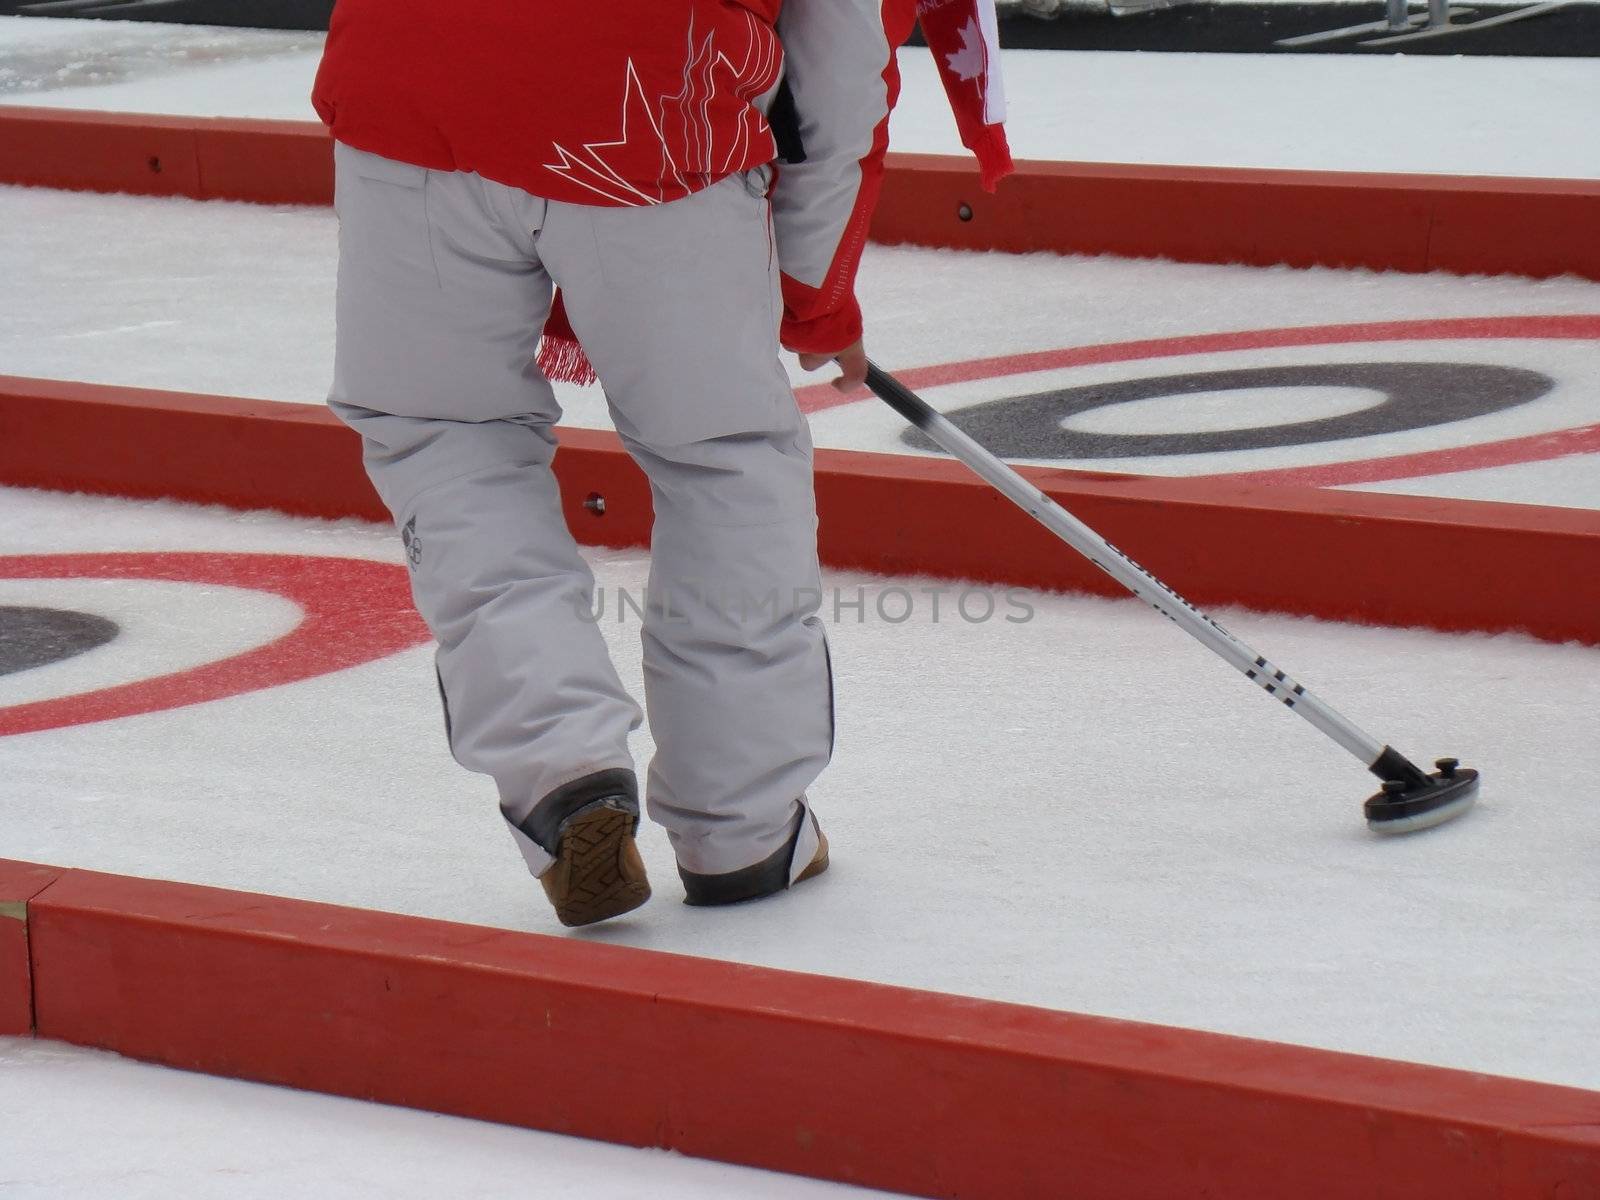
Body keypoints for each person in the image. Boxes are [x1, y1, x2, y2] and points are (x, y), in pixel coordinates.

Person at [312, 0, 1010, 926]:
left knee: (448, 432)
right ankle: (744, 824)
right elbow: (842, 56)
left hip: (408, 81)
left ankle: (560, 760)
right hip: (647, 97)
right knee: (720, 457)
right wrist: (814, 293)